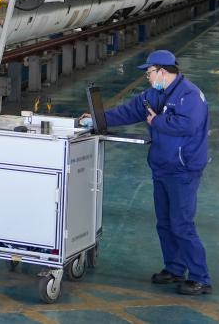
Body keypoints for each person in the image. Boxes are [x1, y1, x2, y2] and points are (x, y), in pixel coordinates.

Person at [83, 49, 212, 295]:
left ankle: (200, 278)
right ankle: (175, 268)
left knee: (181, 224)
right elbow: (129, 111)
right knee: (165, 223)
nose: (148, 77)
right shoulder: (154, 94)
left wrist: (157, 122)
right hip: (162, 167)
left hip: (183, 169)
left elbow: (188, 125)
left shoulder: (190, 95)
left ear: (163, 72)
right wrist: (99, 119)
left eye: (150, 72)